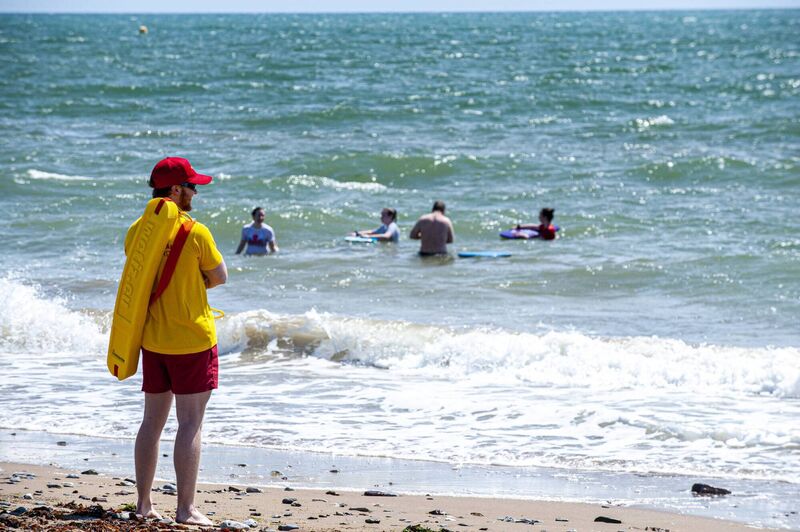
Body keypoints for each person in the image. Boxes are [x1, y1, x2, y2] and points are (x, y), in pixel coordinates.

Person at [128, 157, 227, 526]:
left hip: (152, 341)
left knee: (151, 423)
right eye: (191, 186)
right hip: (192, 341)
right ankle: (185, 510)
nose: (195, 192)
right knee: (190, 424)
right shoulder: (195, 231)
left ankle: (143, 504)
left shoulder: (137, 229)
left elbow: (137, 283)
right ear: (174, 191)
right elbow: (219, 277)